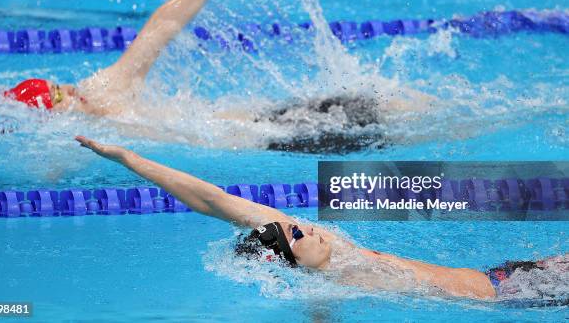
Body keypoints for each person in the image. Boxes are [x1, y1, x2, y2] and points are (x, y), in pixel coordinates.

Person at [74, 135, 568, 303]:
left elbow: (210, 200)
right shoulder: (331, 279)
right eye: (296, 234)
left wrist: (127, 158)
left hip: (504, 277)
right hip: (508, 299)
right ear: (294, 261)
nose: (305, 225)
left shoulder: (323, 250)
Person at [3, 0, 287, 117]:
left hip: (264, 127)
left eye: (59, 86)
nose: (69, 89)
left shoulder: (101, 90)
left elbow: (161, 27)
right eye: (59, 96)